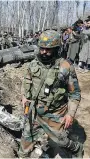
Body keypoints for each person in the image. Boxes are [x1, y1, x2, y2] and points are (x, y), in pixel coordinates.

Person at [18, 30, 83, 158]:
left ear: (56, 49)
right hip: (34, 112)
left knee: (61, 141)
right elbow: (26, 83)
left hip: (55, 113)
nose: (44, 52)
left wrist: (70, 114)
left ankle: (76, 148)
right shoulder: (33, 64)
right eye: (42, 48)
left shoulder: (65, 67)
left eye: (48, 50)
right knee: (24, 146)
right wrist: (24, 96)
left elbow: (75, 94)